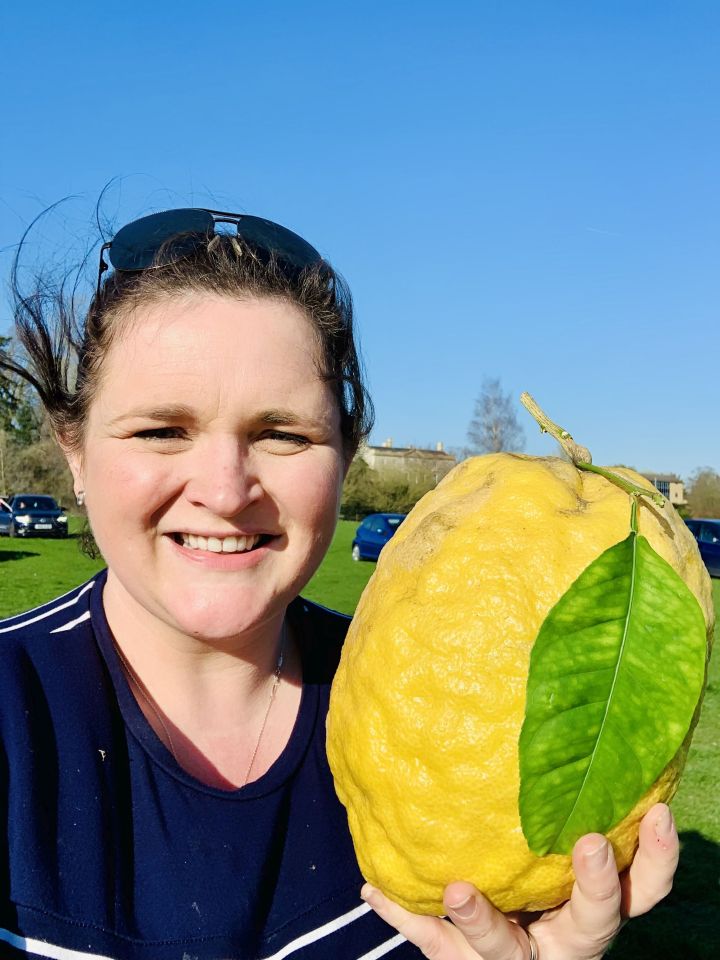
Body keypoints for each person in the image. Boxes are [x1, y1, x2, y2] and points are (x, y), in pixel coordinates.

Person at [0, 207, 679, 960]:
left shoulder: (443, 711)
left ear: (345, 458)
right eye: (162, 430)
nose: (226, 491)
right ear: (74, 451)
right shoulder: (11, 716)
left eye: (283, 434)